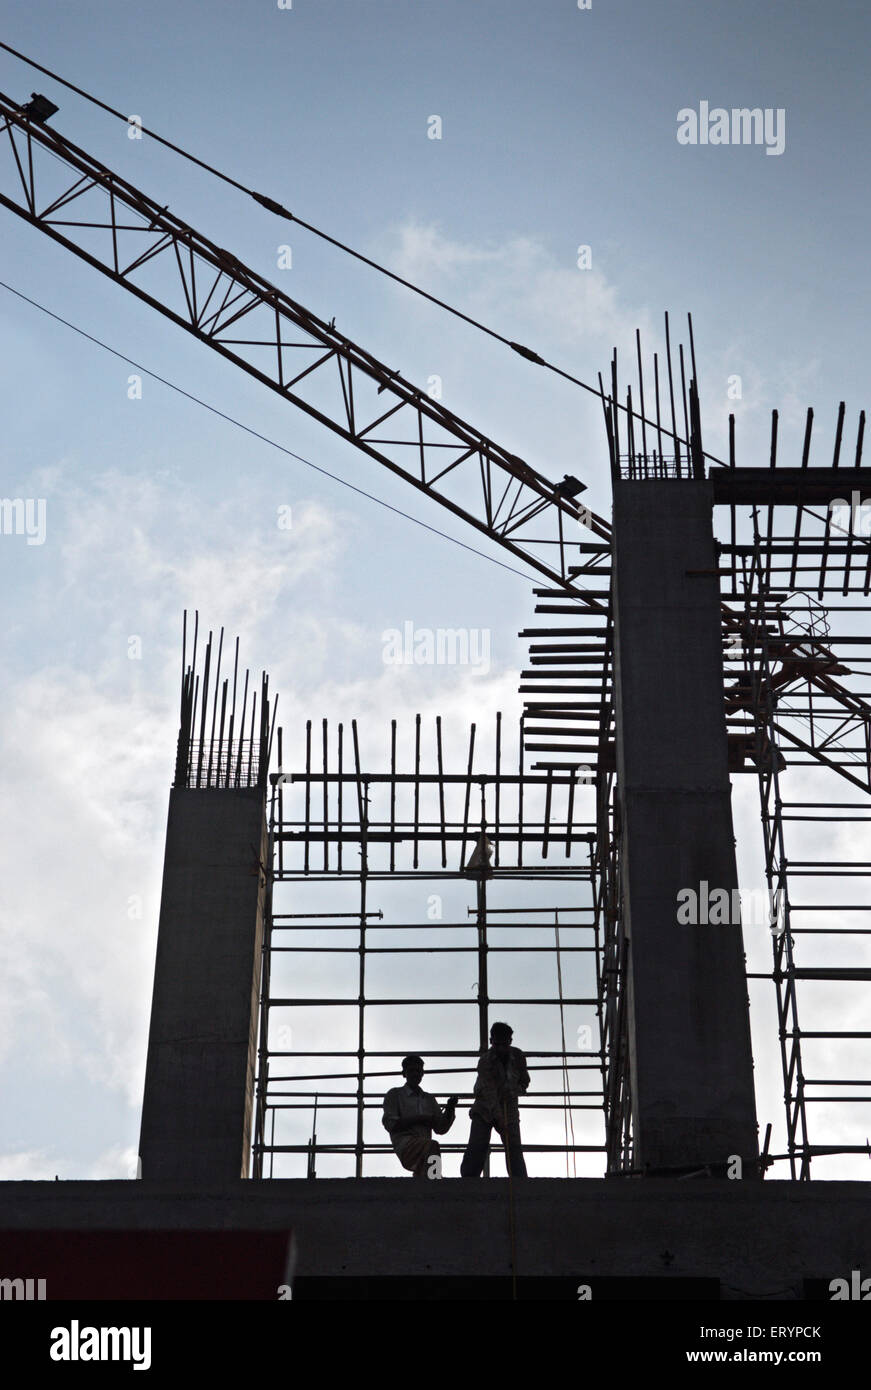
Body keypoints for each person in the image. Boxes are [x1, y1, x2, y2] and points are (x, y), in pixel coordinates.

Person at [461, 1022, 529, 1178]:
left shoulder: (518, 1056)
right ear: (491, 1041)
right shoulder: (485, 1061)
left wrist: (514, 1090)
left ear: (510, 1041)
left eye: (504, 1044)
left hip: (509, 1105)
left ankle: (520, 1182)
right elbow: (489, 1093)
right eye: (496, 1044)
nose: (500, 1048)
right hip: (484, 1106)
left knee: (514, 1146)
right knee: (478, 1145)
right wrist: (500, 1119)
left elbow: (525, 1081)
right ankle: (468, 1182)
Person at [382, 1055, 457, 1178]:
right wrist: (420, 1118)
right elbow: (391, 1124)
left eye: (418, 1071)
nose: (415, 1074)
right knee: (432, 1146)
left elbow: (441, 1128)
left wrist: (450, 1109)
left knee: (424, 1168)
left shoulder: (429, 1099)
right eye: (411, 1070)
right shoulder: (394, 1094)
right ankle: (435, 1179)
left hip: (423, 1147)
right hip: (405, 1144)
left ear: (422, 1074)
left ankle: (431, 1180)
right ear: (404, 1073)